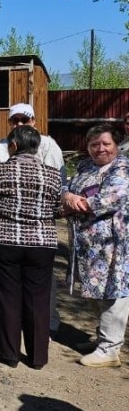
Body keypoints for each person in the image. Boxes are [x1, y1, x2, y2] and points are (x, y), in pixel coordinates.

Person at [0, 125, 62, 369]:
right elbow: (58, 209)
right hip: (41, 242)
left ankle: (9, 354)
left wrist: (5, 215)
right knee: (38, 298)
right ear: (36, 147)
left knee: (8, 297)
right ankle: (38, 358)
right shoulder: (53, 174)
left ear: (13, 145)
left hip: (3, 240)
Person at [62, 124, 129, 368]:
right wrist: (67, 196)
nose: (100, 149)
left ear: (116, 145)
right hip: (86, 244)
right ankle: (103, 338)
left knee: (113, 294)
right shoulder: (85, 166)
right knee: (94, 292)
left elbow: (111, 198)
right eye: (94, 144)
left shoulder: (123, 167)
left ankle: (110, 349)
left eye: (105, 144)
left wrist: (75, 202)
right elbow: (67, 188)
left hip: (112, 244)